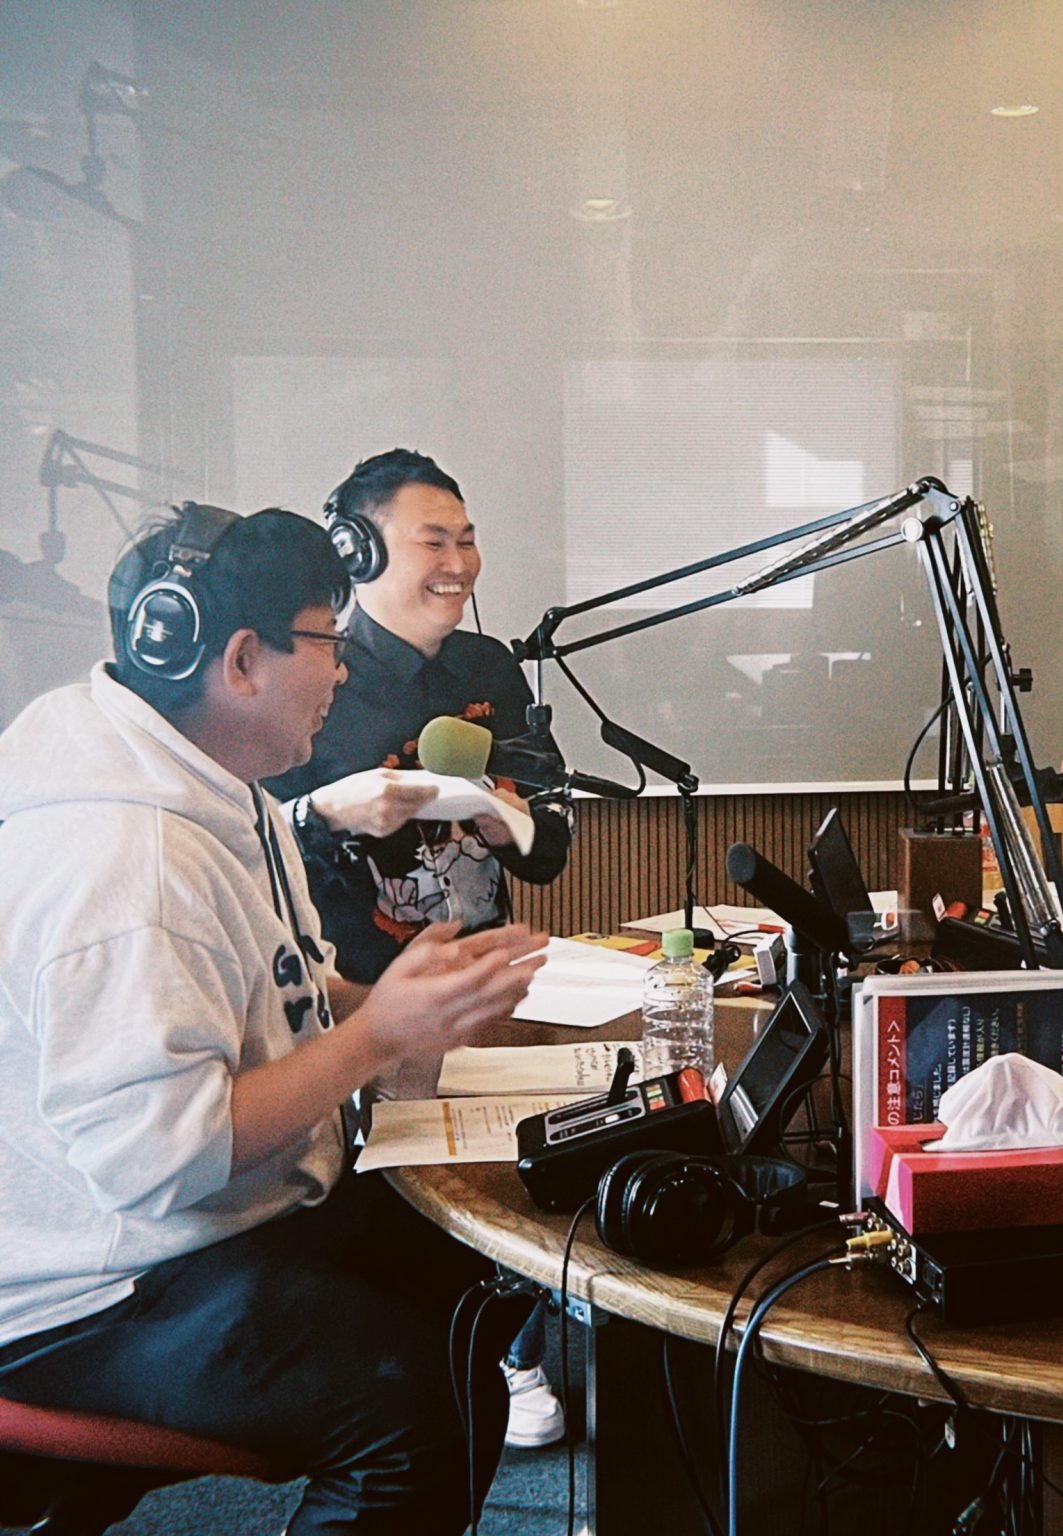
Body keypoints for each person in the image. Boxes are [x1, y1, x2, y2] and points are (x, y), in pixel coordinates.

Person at [0, 504, 547, 1533]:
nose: (340, 670)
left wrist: (403, 1005)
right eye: (327, 641)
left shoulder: (213, 785)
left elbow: (284, 988)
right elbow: (163, 1157)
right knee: (413, 1410)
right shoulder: (123, 864)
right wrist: (379, 1034)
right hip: (90, 1294)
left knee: (470, 1281)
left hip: (204, 1226)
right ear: (243, 660)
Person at [267, 447, 569, 1448]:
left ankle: (513, 1346)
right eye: (433, 541)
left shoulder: (488, 670)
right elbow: (254, 846)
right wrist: (328, 810)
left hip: (482, 988)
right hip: (354, 1001)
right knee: (398, 1220)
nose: (460, 563)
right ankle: (431, 1365)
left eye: (468, 539)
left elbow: (550, 852)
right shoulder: (314, 674)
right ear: (358, 551)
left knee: (510, 1181)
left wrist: (505, 819)